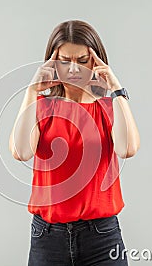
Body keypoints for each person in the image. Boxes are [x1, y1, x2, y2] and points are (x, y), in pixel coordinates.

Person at [9, 20, 140, 266]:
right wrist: (31, 91)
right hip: (48, 239)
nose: (73, 69)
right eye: (64, 60)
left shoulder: (108, 107)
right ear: (51, 61)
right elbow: (20, 151)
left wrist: (115, 88)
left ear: (96, 61)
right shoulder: (42, 108)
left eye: (82, 60)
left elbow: (128, 148)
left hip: (101, 237)